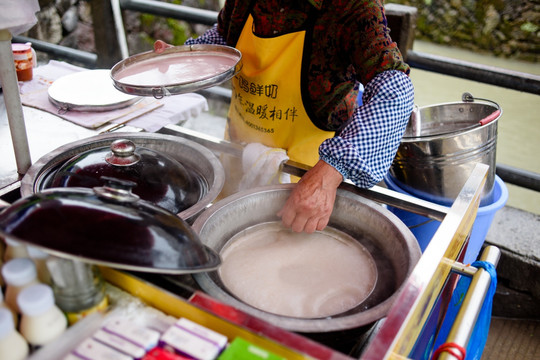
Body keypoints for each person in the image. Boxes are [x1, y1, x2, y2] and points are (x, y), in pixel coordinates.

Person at [155, 0, 414, 234]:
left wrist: (330, 174)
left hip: (305, 179)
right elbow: (224, 35)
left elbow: (395, 88)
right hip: (237, 153)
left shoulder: (353, 7)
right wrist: (189, 58)